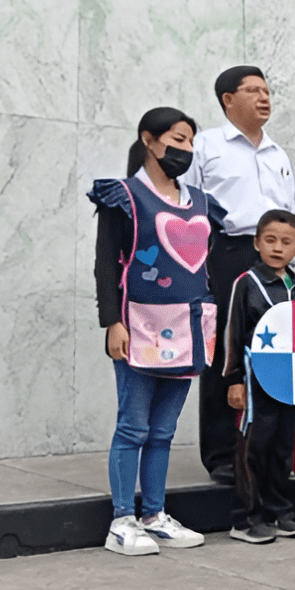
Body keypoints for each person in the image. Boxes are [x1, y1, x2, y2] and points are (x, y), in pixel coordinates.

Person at [89, 107, 212, 556]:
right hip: (137, 326)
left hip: (187, 328)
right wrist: (112, 323)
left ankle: (155, 514)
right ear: (149, 139)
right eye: (178, 140)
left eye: (190, 143)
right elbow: (106, 264)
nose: (186, 150)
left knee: (163, 431)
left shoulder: (199, 201)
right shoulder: (122, 196)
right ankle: (123, 519)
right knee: (133, 426)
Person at [180, 65, 295, 485]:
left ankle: (267, 449)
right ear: (228, 99)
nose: (265, 98)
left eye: (267, 90)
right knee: (225, 355)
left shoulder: (278, 154)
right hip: (226, 254)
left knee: (273, 353)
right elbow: (188, 210)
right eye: (253, 91)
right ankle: (222, 455)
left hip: (276, 257)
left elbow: (290, 214)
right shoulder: (207, 146)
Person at [223, 210, 295, 544]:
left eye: (286, 242)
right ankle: (246, 518)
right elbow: (233, 332)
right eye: (270, 240)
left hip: (289, 383)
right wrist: (234, 380)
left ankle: (279, 511)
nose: (277, 248)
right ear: (257, 242)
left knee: (282, 448)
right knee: (254, 448)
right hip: (255, 382)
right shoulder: (247, 284)